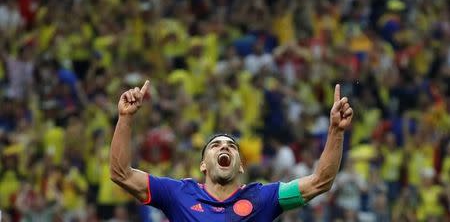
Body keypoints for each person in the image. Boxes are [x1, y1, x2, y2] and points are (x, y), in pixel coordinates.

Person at [109, 80, 353, 221]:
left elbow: (321, 181)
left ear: (241, 165)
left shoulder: (264, 198)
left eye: (231, 146)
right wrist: (125, 118)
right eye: (215, 145)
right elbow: (121, 174)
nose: (224, 146)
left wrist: (336, 132)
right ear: (203, 164)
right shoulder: (178, 193)